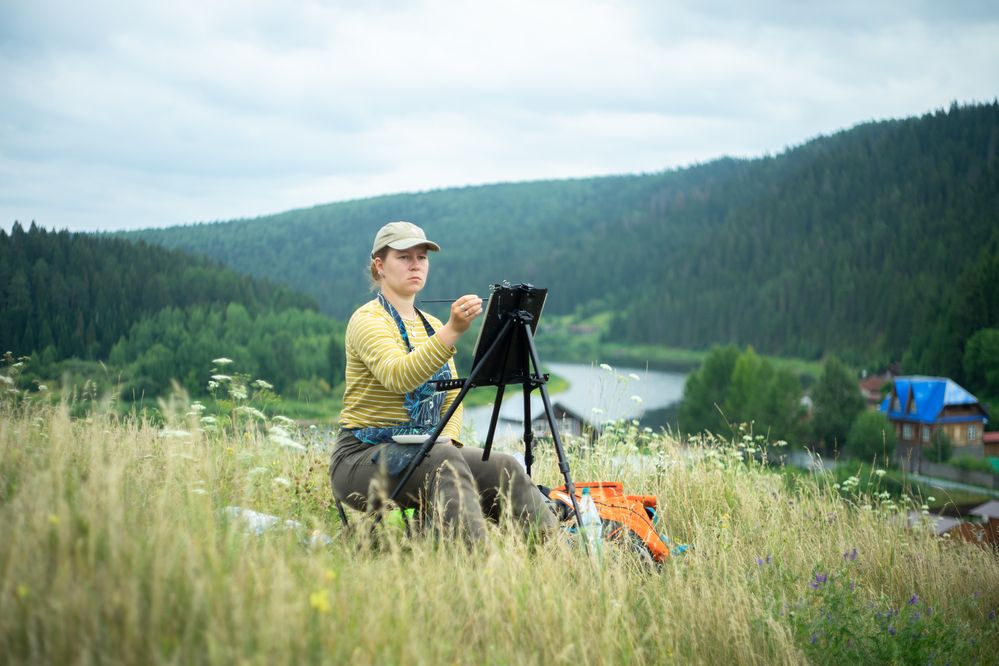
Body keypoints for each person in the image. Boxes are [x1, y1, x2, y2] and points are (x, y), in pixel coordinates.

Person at [330, 221, 557, 542]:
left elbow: (453, 396)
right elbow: (398, 376)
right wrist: (453, 330)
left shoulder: (431, 324)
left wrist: (447, 437)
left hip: (423, 453)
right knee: (443, 461)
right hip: (360, 458)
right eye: (404, 257)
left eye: (422, 257)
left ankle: (555, 551)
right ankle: (475, 565)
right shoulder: (367, 320)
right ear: (379, 266)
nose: (416, 265)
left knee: (503, 466)